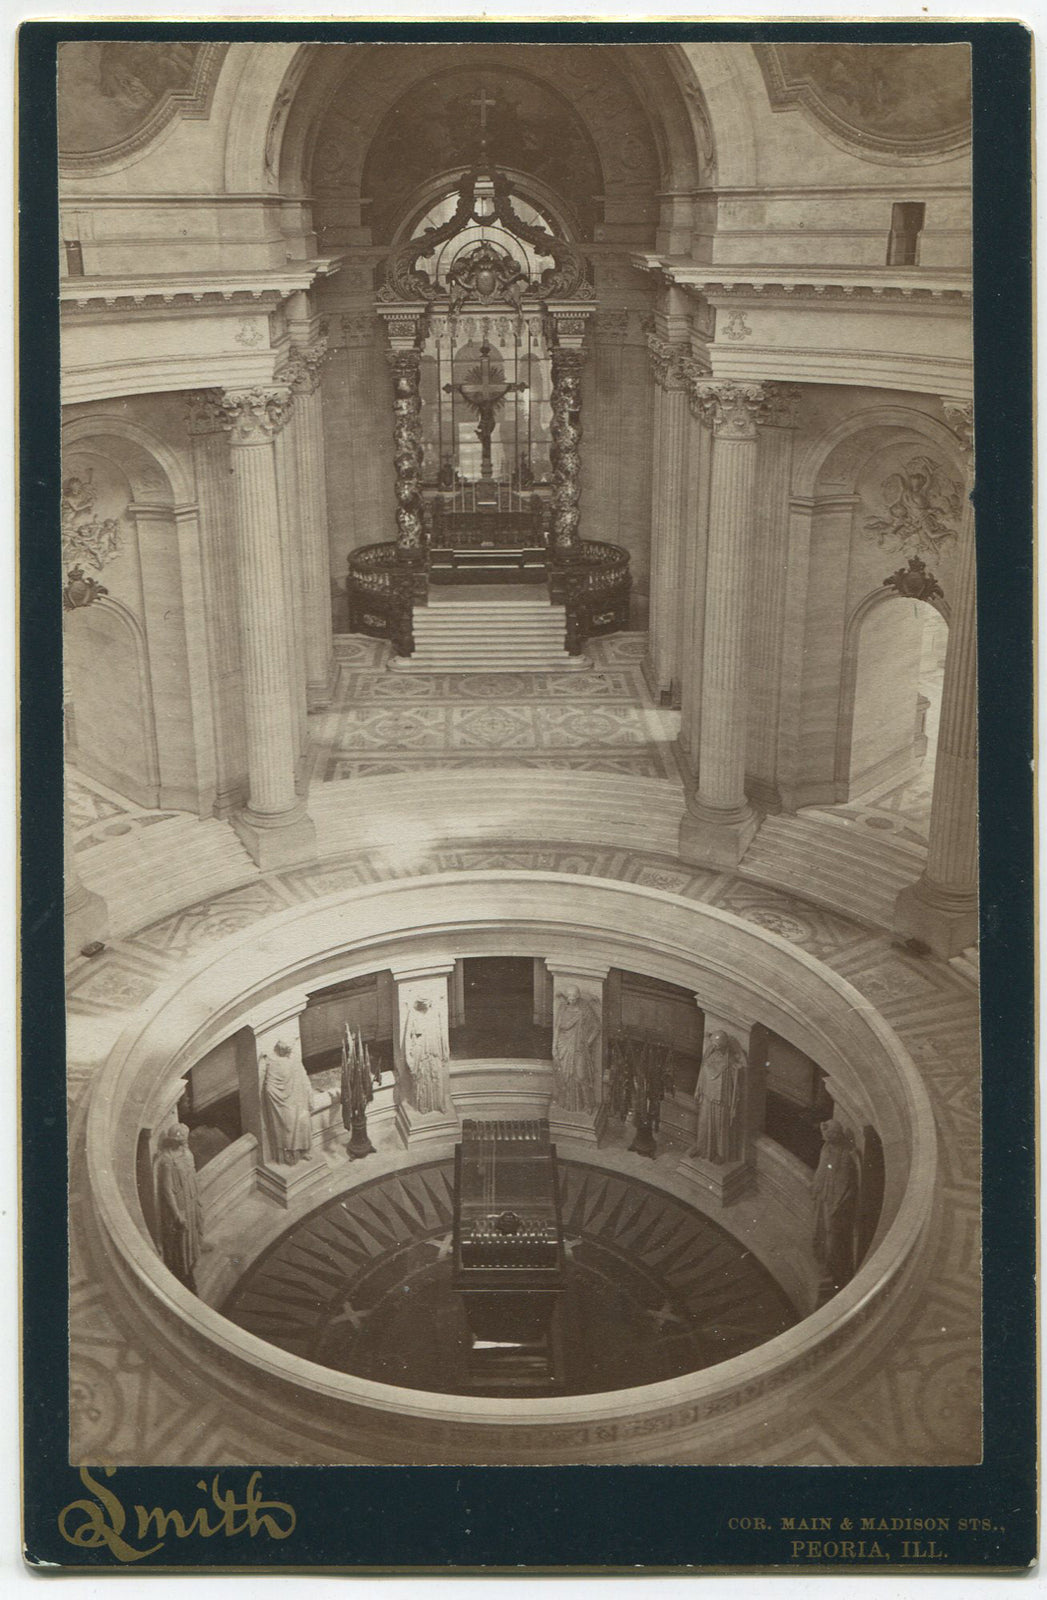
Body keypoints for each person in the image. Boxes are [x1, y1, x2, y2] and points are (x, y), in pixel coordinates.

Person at [812, 1118, 860, 1293]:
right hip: (825, 1200)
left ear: (836, 1136)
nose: (826, 1139)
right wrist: (816, 1188)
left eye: (829, 1135)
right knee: (822, 1235)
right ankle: (827, 1267)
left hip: (836, 1205)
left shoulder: (846, 1155)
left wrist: (836, 1206)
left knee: (833, 1240)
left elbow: (846, 1183)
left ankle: (835, 1274)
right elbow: (821, 1171)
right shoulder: (827, 1149)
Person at [155, 1123, 204, 1289]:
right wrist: (176, 1214)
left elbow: (193, 1177)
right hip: (180, 1203)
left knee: (193, 1232)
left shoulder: (187, 1154)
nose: (185, 1141)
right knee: (182, 1238)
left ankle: (192, 1262)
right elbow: (166, 1190)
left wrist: (197, 1199)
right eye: (182, 1138)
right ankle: (184, 1272)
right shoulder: (167, 1161)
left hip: (190, 1200)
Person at [691, 1030, 746, 1164]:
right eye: (713, 1043)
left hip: (721, 1100)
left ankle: (720, 1154)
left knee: (720, 1128)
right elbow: (702, 1072)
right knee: (703, 1124)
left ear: (723, 1045)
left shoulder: (730, 1063)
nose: (713, 1046)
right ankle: (701, 1147)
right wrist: (699, 1088)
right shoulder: (709, 1054)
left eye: (717, 1044)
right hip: (707, 1096)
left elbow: (737, 1080)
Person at [260, 1038, 314, 1164]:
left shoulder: (295, 1060)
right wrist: (278, 1098)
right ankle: (289, 1152)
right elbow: (269, 1086)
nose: (290, 1052)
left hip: (299, 1100)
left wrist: (309, 1095)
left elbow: (304, 1077)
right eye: (287, 1050)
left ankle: (303, 1149)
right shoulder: (273, 1063)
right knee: (287, 1127)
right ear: (281, 1051)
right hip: (283, 1104)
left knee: (303, 1123)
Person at [552, 984, 601, 1112]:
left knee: (581, 1076)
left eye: (574, 997)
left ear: (578, 996)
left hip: (579, 1048)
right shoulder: (562, 1008)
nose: (572, 1000)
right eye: (569, 997)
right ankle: (568, 1104)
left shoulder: (584, 1008)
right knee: (565, 1076)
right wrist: (554, 1046)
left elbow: (597, 1027)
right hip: (564, 1046)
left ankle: (588, 1104)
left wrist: (587, 1043)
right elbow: (557, 1028)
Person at [402, 997, 448, 1115]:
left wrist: (445, 1050)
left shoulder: (435, 1012)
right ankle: (423, 1106)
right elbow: (407, 1037)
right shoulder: (412, 1014)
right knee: (422, 1078)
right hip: (420, 1050)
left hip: (434, 1047)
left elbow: (442, 1032)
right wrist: (409, 1059)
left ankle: (438, 1104)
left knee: (436, 1074)